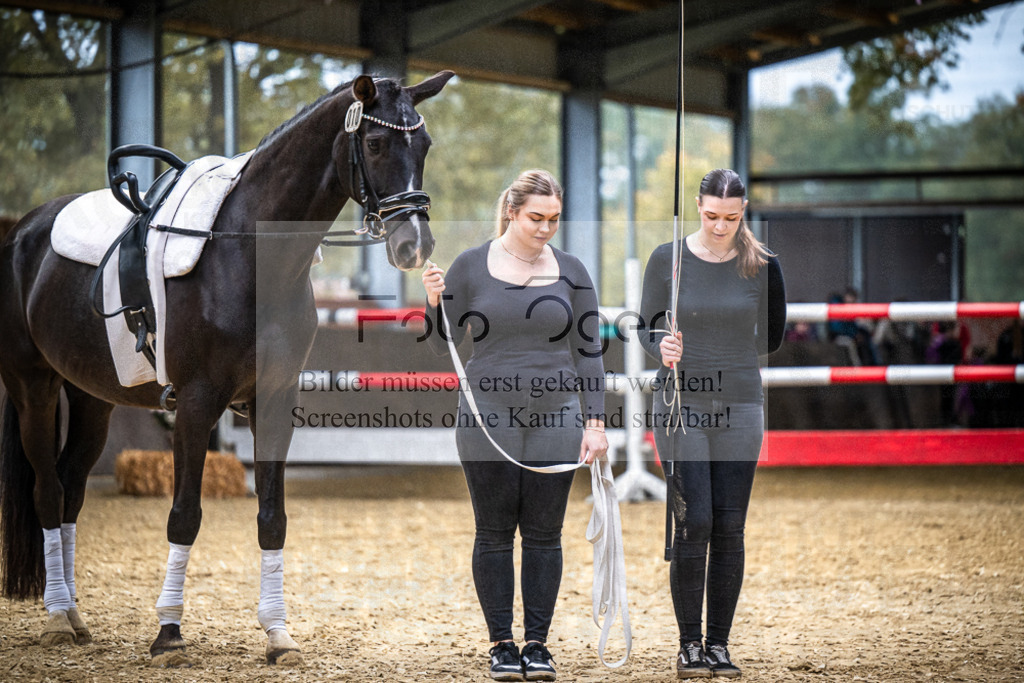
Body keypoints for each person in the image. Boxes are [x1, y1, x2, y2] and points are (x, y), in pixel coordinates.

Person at [421, 169, 608, 682]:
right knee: (495, 531)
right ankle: (501, 643)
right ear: (511, 211)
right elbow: (442, 345)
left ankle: (537, 644)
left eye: (553, 219)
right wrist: (434, 304)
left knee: (546, 534)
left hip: (559, 414)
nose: (546, 228)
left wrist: (595, 421)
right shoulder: (469, 267)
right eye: (535, 218)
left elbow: (589, 353)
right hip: (488, 413)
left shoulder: (573, 272)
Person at [638, 169, 786, 679]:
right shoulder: (668, 259)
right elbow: (644, 324)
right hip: (682, 401)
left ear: (743, 211)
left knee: (729, 525)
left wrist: (728, 347)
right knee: (694, 520)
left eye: (731, 217)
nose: (720, 226)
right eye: (710, 215)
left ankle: (719, 644)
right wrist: (663, 342)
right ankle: (688, 644)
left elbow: (772, 335)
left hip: (741, 401)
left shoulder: (762, 264)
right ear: (697, 207)